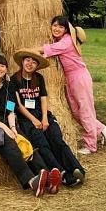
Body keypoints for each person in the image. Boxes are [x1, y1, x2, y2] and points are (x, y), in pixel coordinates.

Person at [0, 54, 51, 197]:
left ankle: (46, 176)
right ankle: (30, 180)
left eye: (2, 66)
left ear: (6, 69)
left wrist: (13, 128)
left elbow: (10, 110)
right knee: (10, 144)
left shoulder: (9, 86)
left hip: (8, 121)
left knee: (25, 141)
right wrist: (5, 128)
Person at [39, 16, 106, 155]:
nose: (56, 29)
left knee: (85, 110)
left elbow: (44, 50)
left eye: (61, 27)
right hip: (70, 78)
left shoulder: (66, 41)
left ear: (66, 30)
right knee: (75, 111)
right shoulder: (61, 40)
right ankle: (103, 129)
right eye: (54, 25)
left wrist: (25, 49)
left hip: (79, 77)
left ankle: (91, 145)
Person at [10, 49, 85, 188]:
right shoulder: (14, 79)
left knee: (56, 139)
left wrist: (44, 118)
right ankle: (62, 174)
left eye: (34, 62)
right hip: (27, 119)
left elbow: (43, 99)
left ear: (37, 66)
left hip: (42, 115)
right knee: (42, 144)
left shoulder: (39, 78)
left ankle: (76, 169)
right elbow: (18, 105)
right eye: (28, 60)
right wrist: (33, 119)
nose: (30, 64)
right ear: (22, 61)